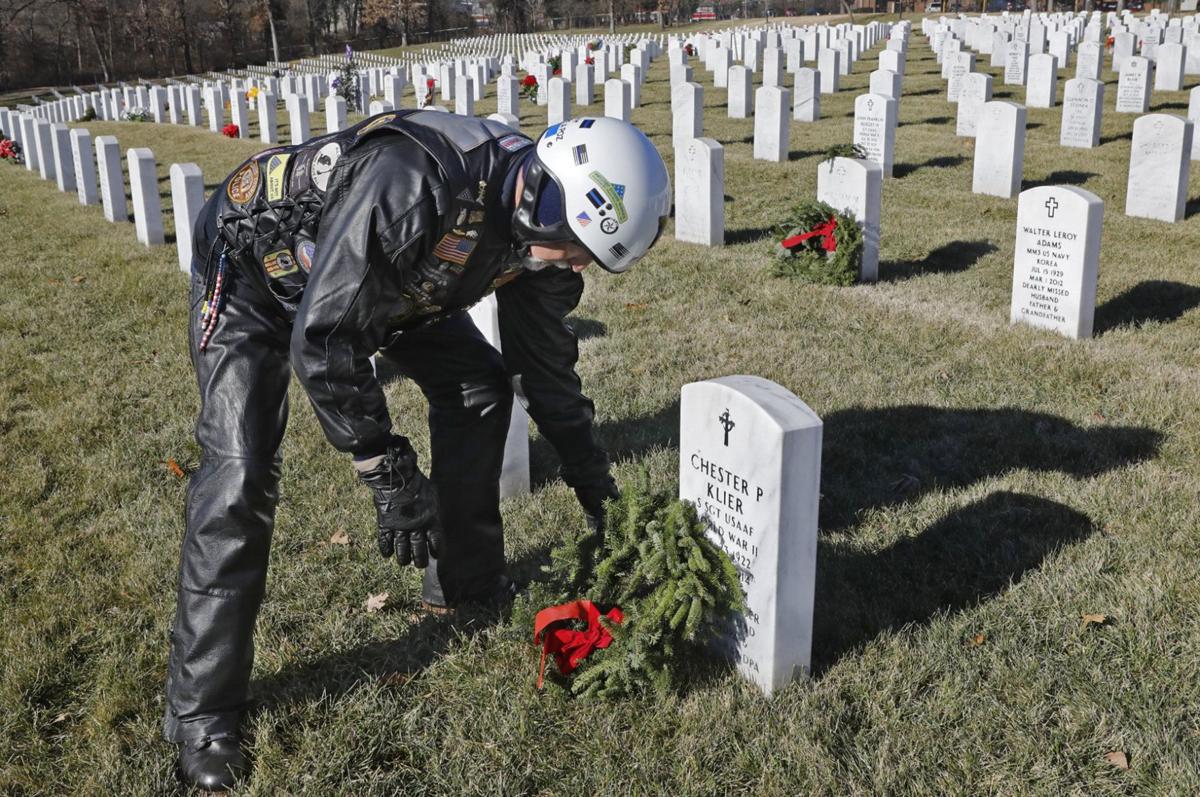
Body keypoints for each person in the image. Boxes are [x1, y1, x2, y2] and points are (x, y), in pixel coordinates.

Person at [163, 110, 671, 791]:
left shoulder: (544, 244)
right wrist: (386, 468)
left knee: (480, 387)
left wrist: (600, 495)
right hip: (256, 271)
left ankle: (464, 578)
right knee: (240, 469)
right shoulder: (415, 185)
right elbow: (323, 340)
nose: (575, 264)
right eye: (574, 245)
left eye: (589, 257)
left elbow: (545, 376)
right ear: (542, 197)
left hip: (391, 287)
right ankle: (203, 712)